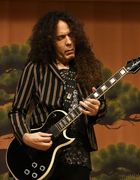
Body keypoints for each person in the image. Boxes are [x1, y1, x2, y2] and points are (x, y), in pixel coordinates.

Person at [8, 11, 106, 179]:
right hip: (40, 154)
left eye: (70, 36)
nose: (69, 42)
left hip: (78, 157)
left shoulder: (88, 68)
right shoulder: (36, 68)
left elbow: (101, 105)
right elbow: (17, 110)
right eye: (61, 38)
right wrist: (25, 137)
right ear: (49, 42)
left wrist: (97, 110)